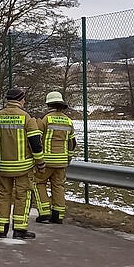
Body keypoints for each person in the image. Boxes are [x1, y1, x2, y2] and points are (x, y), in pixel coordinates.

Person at [0, 87, 44, 239]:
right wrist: (40, 162)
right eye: (23, 99)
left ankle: (0, 229)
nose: (24, 101)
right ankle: (19, 230)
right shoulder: (26, 118)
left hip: (3, 166)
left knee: (2, 196)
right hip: (23, 168)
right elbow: (35, 143)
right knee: (22, 197)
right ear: (20, 100)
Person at [32, 91, 77, 224]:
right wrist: (68, 158)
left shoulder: (45, 119)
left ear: (48, 104)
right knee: (58, 186)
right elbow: (72, 143)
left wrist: (37, 158)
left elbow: (36, 138)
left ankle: (44, 212)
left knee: (39, 183)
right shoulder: (68, 121)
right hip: (61, 161)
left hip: (46, 161)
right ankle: (58, 215)